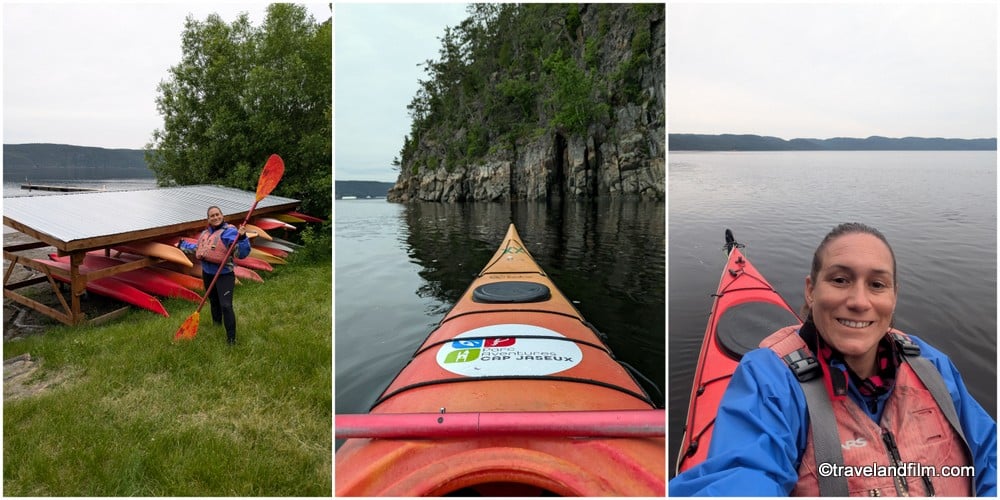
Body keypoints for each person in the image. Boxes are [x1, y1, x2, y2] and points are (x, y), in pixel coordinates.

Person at [670, 222, 996, 496]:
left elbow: (990, 452)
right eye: (840, 280)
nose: (858, 301)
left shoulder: (931, 365)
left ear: (894, 296)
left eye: (877, 284)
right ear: (811, 291)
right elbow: (741, 474)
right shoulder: (770, 379)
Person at [178, 206, 251, 345]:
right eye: (212, 216)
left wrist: (242, 238)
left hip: (224, 275)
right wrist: (182, 245)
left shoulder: (229, 232)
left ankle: (231, 340)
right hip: (208, 274)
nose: (215, 217)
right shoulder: (205, 233)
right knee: (214, 301)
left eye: (217, 214)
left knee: (226, 306)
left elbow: (241, 254)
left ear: (222, 215)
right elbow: (197, 249)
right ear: (208, 219)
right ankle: (216, 327)